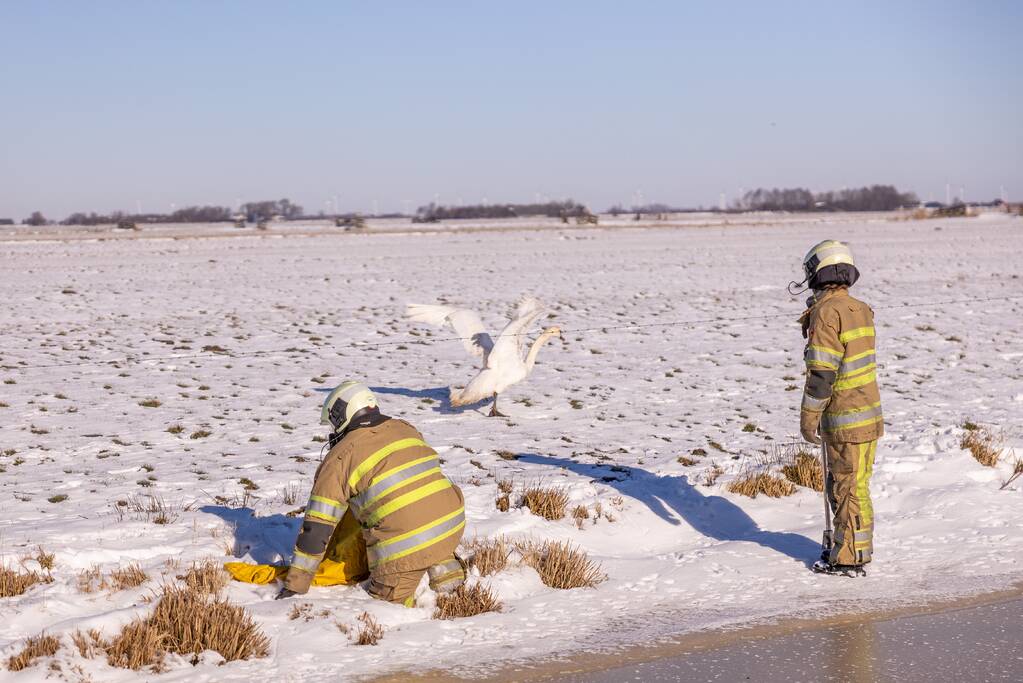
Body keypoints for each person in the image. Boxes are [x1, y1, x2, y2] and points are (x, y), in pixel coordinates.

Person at [276, 381, 467, 605]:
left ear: (341, 416)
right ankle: (444, 566)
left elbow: (316, 530)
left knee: (385, 606)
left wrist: (295, 585)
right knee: (418, 519)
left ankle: (415, 597)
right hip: (452, 526)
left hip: (404, 549)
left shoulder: (339, 458)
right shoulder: (405, 427)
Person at [795, 240, 883, 577]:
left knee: (848, 488)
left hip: (845, 419)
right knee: (856, 485)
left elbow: (822, 374)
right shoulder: (859, 308)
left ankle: (848, 558)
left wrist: (808, 418)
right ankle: (853, 548)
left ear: (818, 271)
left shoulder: (826, 313)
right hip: (868, 415)